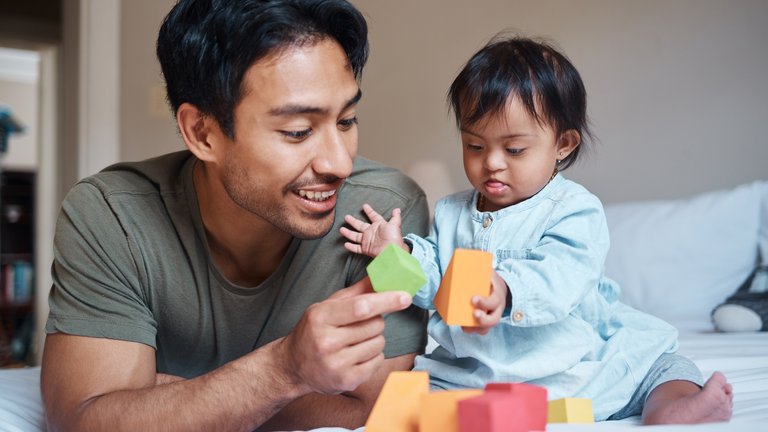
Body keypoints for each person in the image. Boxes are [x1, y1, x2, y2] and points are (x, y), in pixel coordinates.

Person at [40, 1, 430, 431]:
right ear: (202, 133)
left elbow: (373, 409)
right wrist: (284, 370)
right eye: (298, 131)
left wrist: (176, 396)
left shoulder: (384, 215)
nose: (339, 163)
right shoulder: (113, 216)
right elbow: (84, 419)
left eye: (347, 120)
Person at [341, 36, 734, 424]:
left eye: (514, 150)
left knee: (660, 364)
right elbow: (434, 289)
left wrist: (506, 289)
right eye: (475, 146)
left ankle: (672, 407)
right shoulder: (450, 213)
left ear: (563, 144)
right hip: (474, 374)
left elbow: (563, 275)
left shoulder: (573, 209)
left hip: (571, 369)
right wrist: (398, 254)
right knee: (414, 393)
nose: (492, 163)